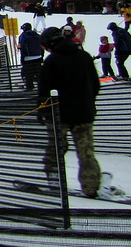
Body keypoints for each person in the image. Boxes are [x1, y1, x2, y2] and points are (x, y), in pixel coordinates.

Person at [37, 26, 102, 198]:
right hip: (84, 114)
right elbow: (95, 85)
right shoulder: (84, 57)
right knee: (86, 152)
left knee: (55, 149)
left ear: (50, 44)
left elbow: (44, 91)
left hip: (59, 115)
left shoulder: (51, 62)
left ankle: (54, 182)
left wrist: (42, 111)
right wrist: (88, 102)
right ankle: (91, 186)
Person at [18, 22, 43, 91]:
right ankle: (41, 86)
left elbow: (22, 47)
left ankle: (30, 86)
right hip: (38, 57)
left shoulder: (23, 36)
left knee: (28, 74)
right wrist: (41, 55)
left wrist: (22, 59)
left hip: (27, 58)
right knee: (38, 73)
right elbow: (41, 46)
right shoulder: (37, 35)